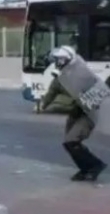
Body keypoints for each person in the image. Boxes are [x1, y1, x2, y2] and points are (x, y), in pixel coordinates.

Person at [41, 46, 108, 181]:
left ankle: (96, 166)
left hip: (88, 112)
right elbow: (51, 94)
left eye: (59, 60)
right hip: (76, 112)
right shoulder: (61, 78)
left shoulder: (81, 72)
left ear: (66, 60)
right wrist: (43, 105)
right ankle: (85, 169)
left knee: (71, 141)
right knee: (69, 143)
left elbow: (97, 90)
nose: (57, 63)